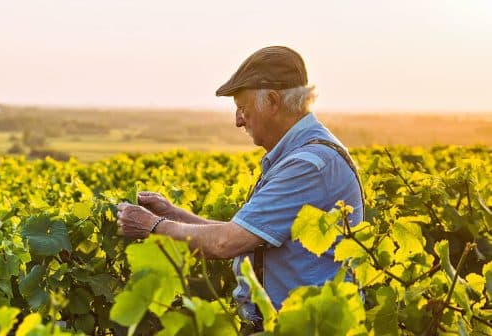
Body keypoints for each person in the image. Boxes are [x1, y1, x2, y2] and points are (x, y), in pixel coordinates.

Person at [116, 46, 363, 330]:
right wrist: (172, 214)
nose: (238, 121)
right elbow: (245, 236)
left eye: (242, 108)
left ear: (272, 101)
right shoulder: (300, 155)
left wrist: (152, 225)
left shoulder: (309, 165)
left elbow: (226, 243)